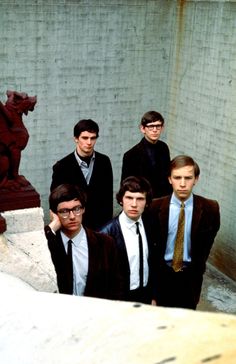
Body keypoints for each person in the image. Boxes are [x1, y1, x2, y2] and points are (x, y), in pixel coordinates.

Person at [149, 155, 220, 309]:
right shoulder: (154, 208)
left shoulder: (210, 209)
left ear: (196, 179)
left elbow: (207, 244)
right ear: (169, 179)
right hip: (162, 276)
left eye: (188, 178)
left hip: (190, 278)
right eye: (177, 177)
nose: (182, 184)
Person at [44, 183, 122, 300]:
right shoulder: (49, 243)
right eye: (64, 211)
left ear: (83, 209)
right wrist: (52, 227)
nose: (72, 216)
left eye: (76, 209)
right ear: (54, 214)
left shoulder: (105, 243)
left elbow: (116, 287)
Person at [50, 119, 113, 230]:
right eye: (85, 138)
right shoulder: (62, 166)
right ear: (76, 139)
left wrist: (107, 227)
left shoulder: (104, 161)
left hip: (100, 226)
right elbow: (55, 202)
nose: (89, 142)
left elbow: (108, 198)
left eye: (93, 138)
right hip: (73, 226)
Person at [100, 176, 154, 304]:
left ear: (147, 203)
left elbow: (153, 263)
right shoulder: (106, 233)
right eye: (129, 198)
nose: (134, 204)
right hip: (121, 299)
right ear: (121, 200)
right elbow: (102, 277)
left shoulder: (150, 225)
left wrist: (153, 296)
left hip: (145, 296)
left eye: (140, 199)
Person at [121, 110, 172, 198]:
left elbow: (168, 175)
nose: (155, 130)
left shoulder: (164, 148)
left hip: (162, 201)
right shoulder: (131, 155)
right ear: (143, 129)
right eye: (151, 127)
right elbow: (126, 186)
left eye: (158, 126)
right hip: (142, 201)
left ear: (162, 128)